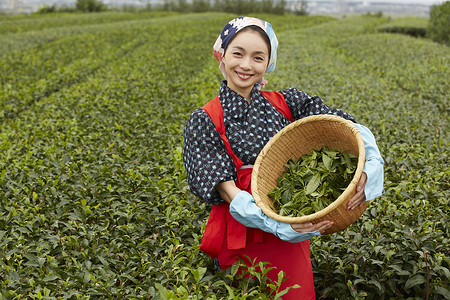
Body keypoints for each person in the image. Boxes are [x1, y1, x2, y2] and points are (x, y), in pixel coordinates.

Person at [183, 16, 384, 299]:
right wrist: (276, 224)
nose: (246, 65)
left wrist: (372, 165)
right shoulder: (204, 119)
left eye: (258, 57)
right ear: (222, 55)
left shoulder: (288, 103)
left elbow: (347, 127)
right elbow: (227, 190)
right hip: (244, 231)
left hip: (290, 224)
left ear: (268, 64)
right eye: (237, 53)